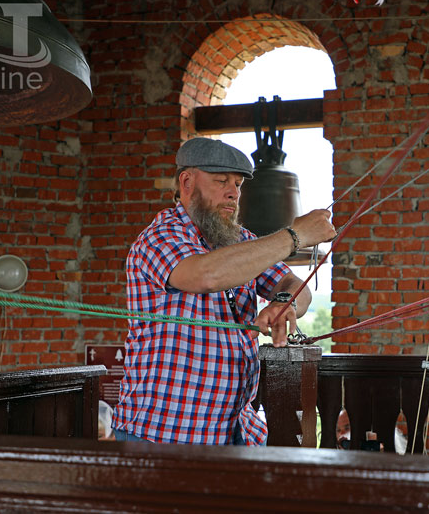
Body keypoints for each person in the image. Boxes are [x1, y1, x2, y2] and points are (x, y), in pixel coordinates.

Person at [111, 137, 335, 446]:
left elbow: (296, 287)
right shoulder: (159, 237)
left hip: (233, 432)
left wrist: (285, 302)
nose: (233, 192)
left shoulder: (240, 240)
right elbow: (206, 274)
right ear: (187, 181)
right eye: (221, 181)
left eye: (238, 184)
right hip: (164, 434)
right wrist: (295, 236)